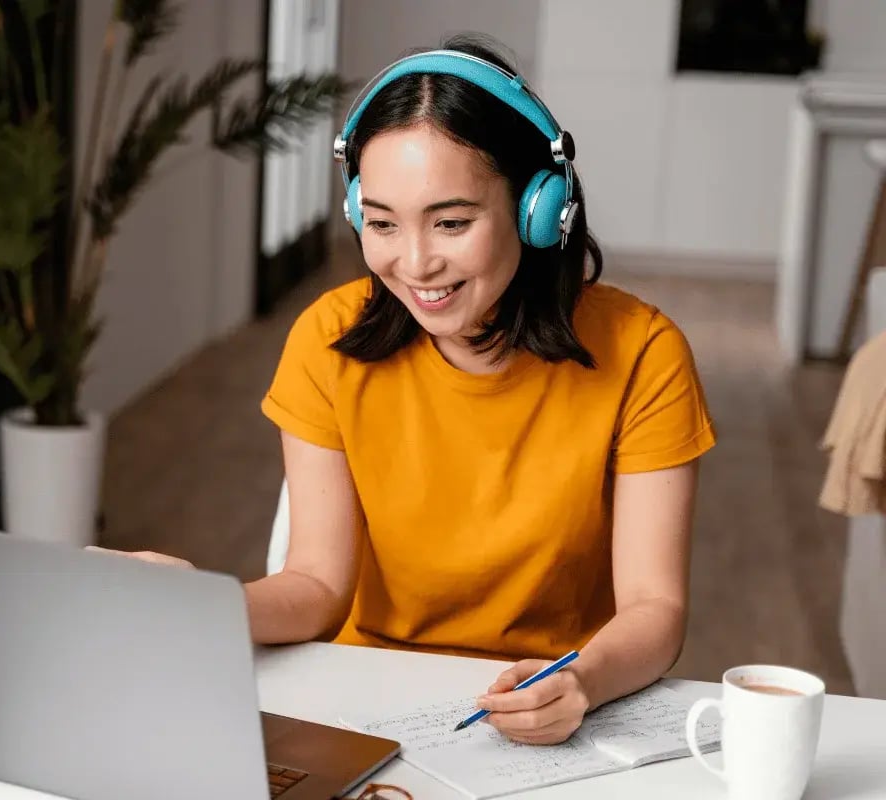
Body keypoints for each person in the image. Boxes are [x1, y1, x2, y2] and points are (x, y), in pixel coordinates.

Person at [97, 33, 716, 746]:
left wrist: (580, 681)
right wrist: (199, 605)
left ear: (538, 209)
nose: (416, 263)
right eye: (383, 223)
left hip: (551, 701)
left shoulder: (645, 354)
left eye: (451, 222)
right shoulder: (326, 343)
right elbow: (318, 586)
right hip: (364, 699)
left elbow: (654, 606)